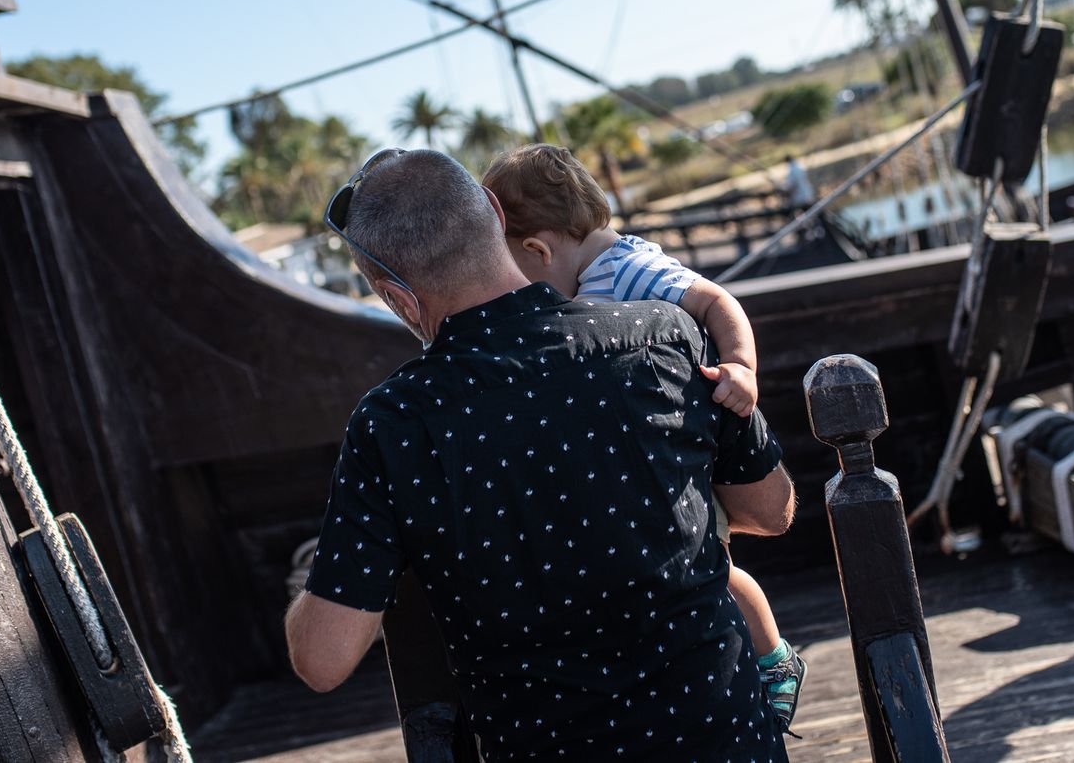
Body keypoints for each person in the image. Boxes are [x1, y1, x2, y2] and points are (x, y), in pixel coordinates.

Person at [286, 149, 796, 762]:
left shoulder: (393, 424)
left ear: (398, 297)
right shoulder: (664, 333)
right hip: (727, 744)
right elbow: (771, 510)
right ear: (495, 214)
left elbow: (322, 661)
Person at [482, 143, 808, 732]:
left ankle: (774, 660)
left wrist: (741, 367)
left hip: (680, 438)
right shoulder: (587, 273)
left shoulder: (627, 268)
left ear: (537, 249)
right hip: (647, 445)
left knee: (713, 567)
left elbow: (715, 299)